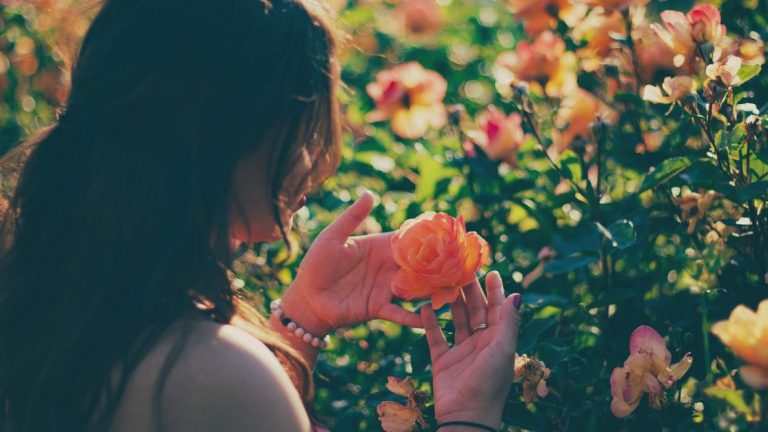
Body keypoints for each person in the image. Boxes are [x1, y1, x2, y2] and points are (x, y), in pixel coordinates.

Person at [0, 0, 522, 431]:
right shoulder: (210, 374)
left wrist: (302, 320)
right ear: (226, 139)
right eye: (306, 127)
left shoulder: (53, 299)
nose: (317, 164)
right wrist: (468, 416)